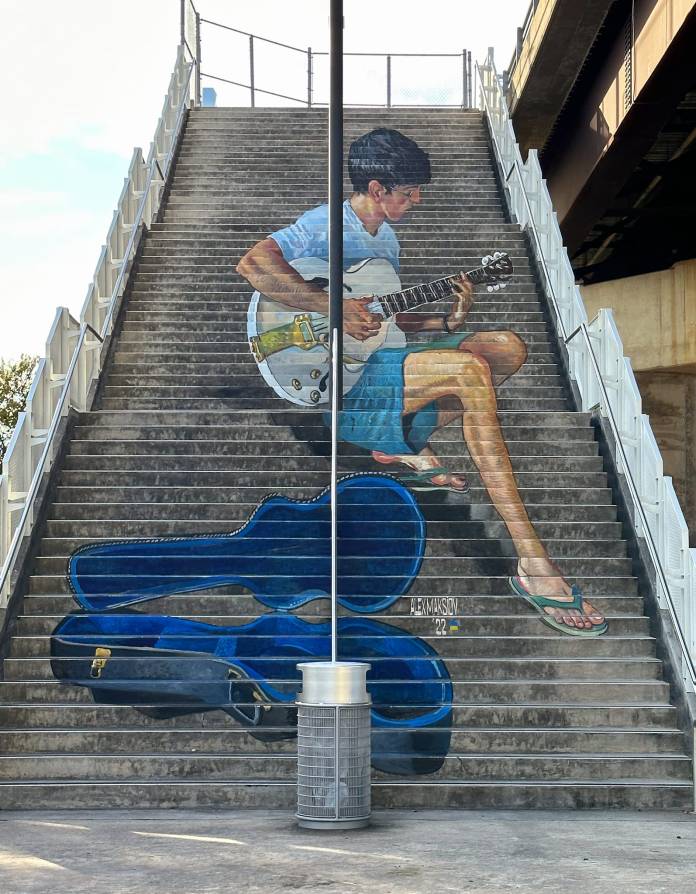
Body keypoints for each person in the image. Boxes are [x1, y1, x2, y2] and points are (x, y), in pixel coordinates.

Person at [237, 128, 606, 636]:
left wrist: (446, 323)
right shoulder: (328, 223)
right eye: (407, 192)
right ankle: (534, 563)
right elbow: (253, 263)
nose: (416, 200)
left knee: (505, 348)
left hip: (376, 368)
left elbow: (386, 321)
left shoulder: (385, 239)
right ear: (376, 187)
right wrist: (335, 307)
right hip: (336, 382)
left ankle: (403, 442)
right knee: (468, 371)